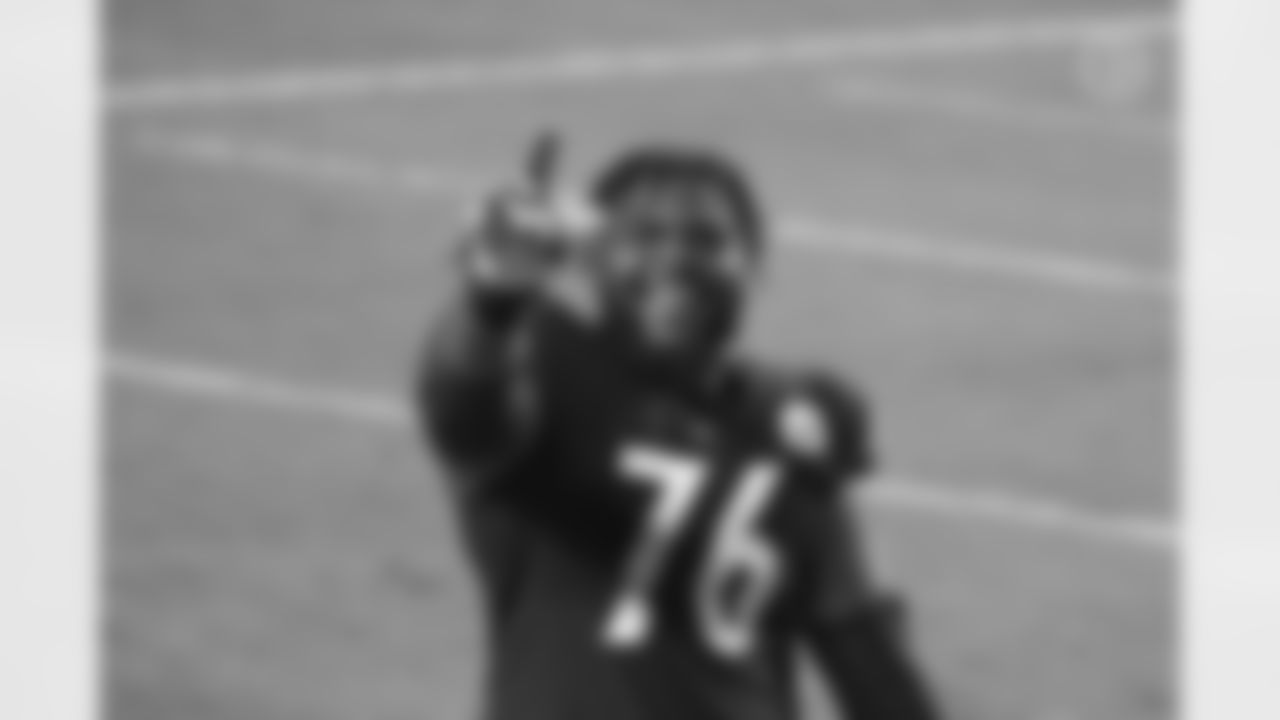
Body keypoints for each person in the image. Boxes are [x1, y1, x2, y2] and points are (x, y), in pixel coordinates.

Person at [416, 132, 945, 720]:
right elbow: (462, 403)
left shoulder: (789, 427)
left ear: (754, 267)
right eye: (643, 236)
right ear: (590, 256)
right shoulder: (547, 372)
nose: (674, 259)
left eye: (706, 240)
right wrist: (493, 298)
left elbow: (865, 654)